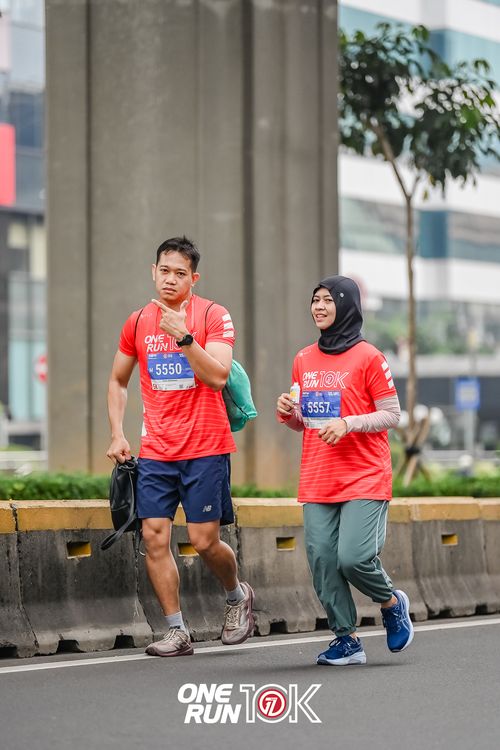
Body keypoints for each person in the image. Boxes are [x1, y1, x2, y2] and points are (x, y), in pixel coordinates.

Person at [106, 236, 254, 657]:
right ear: (153, 272)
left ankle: (236, 595)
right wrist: (117, 432)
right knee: (154, 537)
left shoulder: (213, 315)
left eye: (180, 273)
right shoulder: (138, 321)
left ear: (194, 278)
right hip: (156, 451)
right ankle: (176, 630)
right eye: (164, 271)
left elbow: (219, 376)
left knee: (204, 541)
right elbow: (118, 380)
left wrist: (186, 338)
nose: (170, 279)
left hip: (205, 447)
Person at [276, 275, 414, 666]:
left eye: (328, 300)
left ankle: (391, 603)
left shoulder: (369, 357)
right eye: (315, 299)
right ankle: (346, 640)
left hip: (364, 475)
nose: (319, 306)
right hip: (318, 476)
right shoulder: (303, 359)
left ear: (347, 305)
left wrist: (349, 423)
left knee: (353, 558)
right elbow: (307, 421)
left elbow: (391, 414)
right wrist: (289, 413)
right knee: (322, 560)